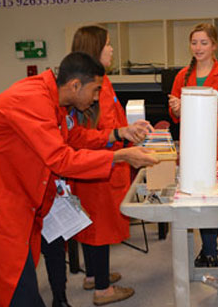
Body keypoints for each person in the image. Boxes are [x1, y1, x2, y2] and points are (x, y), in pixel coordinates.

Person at [0, 52, 158, 307]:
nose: (97, 98)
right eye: (96, 90)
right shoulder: (32, 100)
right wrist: (120, 156)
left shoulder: (53, 98)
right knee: (13, 280)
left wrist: (118, 133)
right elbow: (60, 158)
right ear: (75, 85)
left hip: (11, 190)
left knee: (17, 274)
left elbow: (70, 136)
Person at [71, 25, 151, 306]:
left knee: (92, 226)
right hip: (100, 168)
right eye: (108, 44)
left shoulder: (100, 81)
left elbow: (111, 123)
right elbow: (89, 134)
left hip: (102, 165)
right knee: (100, 227)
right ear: (95, 49)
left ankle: (94, 276)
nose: (112, 49)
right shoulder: (92, 87)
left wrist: (128, 129)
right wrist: (120, 136)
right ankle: (102, 290)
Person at [168, 23, 218, 267]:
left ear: (214, 45)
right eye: (194, 43)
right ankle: (209, 251)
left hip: (217, 146)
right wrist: (176, 109)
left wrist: (199, 122)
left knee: (213, 199)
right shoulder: (181, 76)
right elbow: (175, 114)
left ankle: (210, 250)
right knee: (194, 197)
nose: (198, 48)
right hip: (190, 148)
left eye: (204, 43)